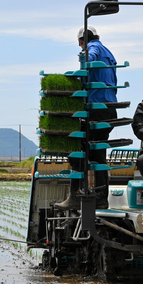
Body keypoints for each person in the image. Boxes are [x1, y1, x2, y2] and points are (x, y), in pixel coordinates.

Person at [56, 25, 118, 211]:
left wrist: (83, 62)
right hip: (109, 108)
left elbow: (90, 57)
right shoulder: (109, 53)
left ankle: (75, 196)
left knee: (75, 149)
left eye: (80, 44)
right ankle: (101, 199)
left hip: (95, 108)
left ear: (82, 41)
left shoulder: (94, 48)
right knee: (99, 155)